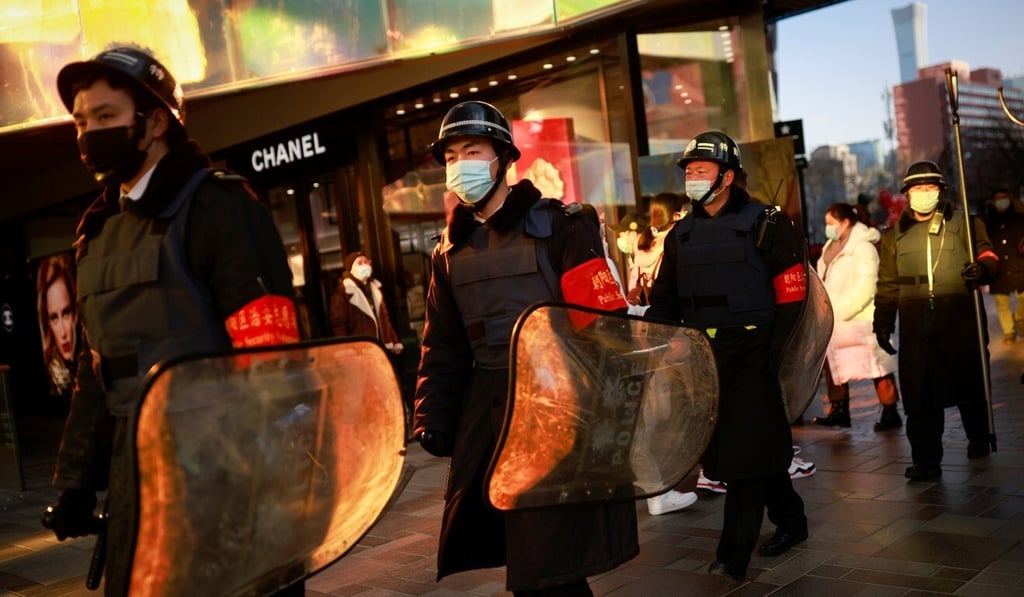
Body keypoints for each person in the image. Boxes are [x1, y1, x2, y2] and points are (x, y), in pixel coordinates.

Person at [42, 45, 300, 595]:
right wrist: (78, 485)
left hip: (228, 482)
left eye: (106, 117)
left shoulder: (219, 207)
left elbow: (273, 363)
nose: (89, 133)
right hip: (135, 483)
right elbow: (97, 374)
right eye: (81, 121)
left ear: (156, 121)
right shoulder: (96, 231)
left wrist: (276, 487)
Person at [412, 100, 638, 596]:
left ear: (504, 158)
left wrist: (604, 416)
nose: (459, 166)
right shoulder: (448, 251)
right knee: (536, 562)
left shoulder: (562, 226)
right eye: (450, 157)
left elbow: (605, 331)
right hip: (492, 423)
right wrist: (433, 417)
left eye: (472, 151)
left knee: (545, 565)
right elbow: (442, 347)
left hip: (559, 413)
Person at [646, 131, 808, 582]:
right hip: (703, 357)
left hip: (756, 351)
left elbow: (793, 296)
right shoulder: (681, 234)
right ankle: (792, 522)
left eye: (701, 170)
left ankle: (731, 557)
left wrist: (778, 354)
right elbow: (665, 299)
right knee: (747, 451)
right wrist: (661, 346)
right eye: (689, 172)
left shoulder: (768, 223)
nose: (692, 179)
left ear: (728, 176)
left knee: (743, 457)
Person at [873, 160, 999, 481]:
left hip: (960, 316)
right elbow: (887, 282)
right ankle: (927, 461)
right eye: (917, 188)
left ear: (941, 191)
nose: (924, 193)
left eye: (930, 187)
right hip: (915, 322)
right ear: (907, 194)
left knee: (970, 381)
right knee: (919, 394)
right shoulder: (893, 235)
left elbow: (988, 254)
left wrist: (983, 269)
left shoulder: (966, 224)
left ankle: (979, 438)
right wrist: (883, 320)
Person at [813, 203, 903, 431]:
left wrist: (841, 311)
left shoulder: (863, 248)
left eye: (831, 223)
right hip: (834, 321)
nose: (828, 228)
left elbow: (867, 285)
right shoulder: (830, 247)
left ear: (845, 222)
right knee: (835, 366)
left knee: (877, 367)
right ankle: (839, 410)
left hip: (862, 319)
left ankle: (890, 412)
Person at [330, 251, 403, 354]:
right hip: (360, 351)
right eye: (360, 263)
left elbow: (385, 319)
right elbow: (339, 324)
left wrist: (394, 341)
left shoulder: (375, 288)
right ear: (351, 268)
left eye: (366, 262)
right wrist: (345, 349)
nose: (365, 265)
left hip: (381, 349)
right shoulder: (343, 293)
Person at [626, 192, 684, 308]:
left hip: (654, 310)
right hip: (676, 311)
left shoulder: (643, 241)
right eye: (683, 211)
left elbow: (634, 283)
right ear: (675, 216)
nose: (686, 213)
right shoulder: (676, 241)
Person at [983, 188, 1024, 344]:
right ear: (992, 202)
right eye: (998, 198)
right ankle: (1008, 331)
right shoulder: (987, 223)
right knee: (1002, 303)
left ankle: (1020, 322)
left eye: (1004, 197)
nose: (1001, 201)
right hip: (999, 270)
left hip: (1020, 267)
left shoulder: (1020, 219)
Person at [36, 253, 79, 398]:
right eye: (54, 317)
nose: (63, 333)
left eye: (66, 313)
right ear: (47, 323)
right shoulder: (53, 377)